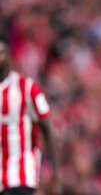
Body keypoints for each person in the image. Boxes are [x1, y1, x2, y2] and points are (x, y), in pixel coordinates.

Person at [0, 37, 61, 195]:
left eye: (1, 53)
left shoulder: (27, 88)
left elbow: (47, 129)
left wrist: (55, 175)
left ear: (9, 55)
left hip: (21, 174)